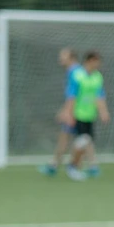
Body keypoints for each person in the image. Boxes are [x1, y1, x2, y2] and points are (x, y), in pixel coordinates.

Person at [63, 50, 108, 178]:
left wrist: (103, 112)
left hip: (90, 115)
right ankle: (73, 167)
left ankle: (76, 165)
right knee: (82, 141)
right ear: (89, 61)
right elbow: (71, 96)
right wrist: (68, 114)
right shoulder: (77, 75)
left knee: (84, 142)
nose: (98, 64)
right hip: (78, 114)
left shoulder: (97, 76)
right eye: (96, 61)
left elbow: (99, 96)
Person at [41, 48, 80, 177]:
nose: (61, 59)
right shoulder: (74, 71)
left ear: (72, 58)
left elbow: (74, 95)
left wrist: (66, 112)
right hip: (76, 110)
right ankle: (91, 165)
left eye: (64, 56)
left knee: (71, 139)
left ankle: (65, 166)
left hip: (76, 112)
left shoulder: (75, 72)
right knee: (81, 139)